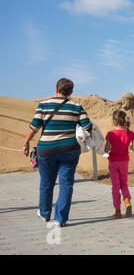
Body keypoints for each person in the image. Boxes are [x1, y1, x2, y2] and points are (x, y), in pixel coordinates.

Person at [23, 78, 92, 227]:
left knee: (47, 183)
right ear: (71, 92)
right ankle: (60, 219)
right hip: (69, 150)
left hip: (46, 149)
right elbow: (88, 127)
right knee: (66, 184)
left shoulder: (43, 105)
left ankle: (44, 213)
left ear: (56, 88)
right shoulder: (77, 107)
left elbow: (34, 127)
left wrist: (26, 142)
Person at [104, 110, 134, 218]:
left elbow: (106, 150)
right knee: (124, 183)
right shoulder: (130, 133)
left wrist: (108, 146)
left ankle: (117, 211)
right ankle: (127, 202)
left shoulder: (110, 134)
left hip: (113, 162)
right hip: (124, 162)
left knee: (115, 187)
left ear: (114, 121)